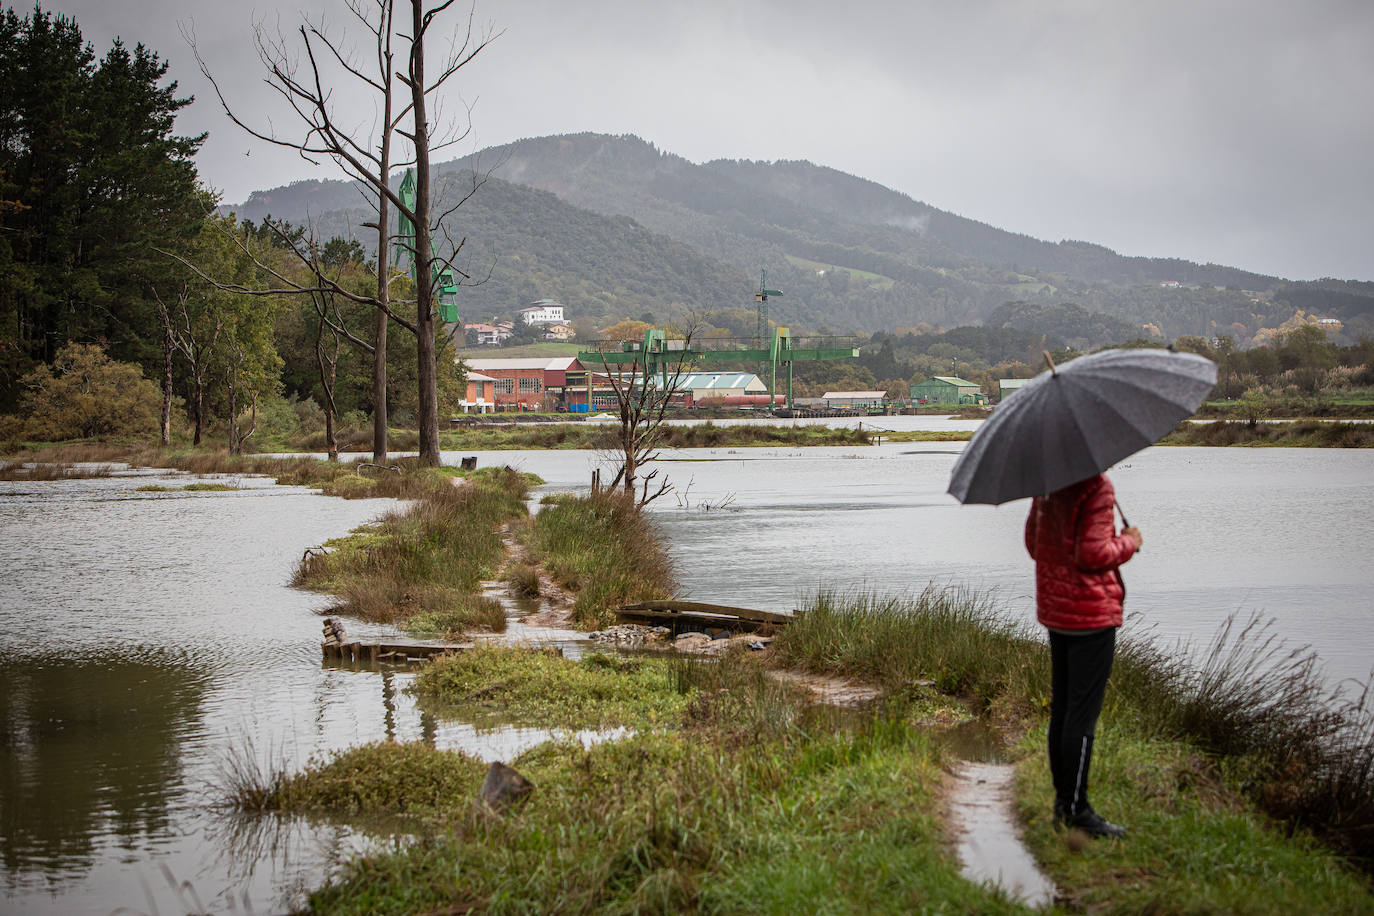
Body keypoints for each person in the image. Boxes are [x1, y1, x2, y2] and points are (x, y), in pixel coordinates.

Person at [1024, 472, 1141, 838]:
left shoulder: (1045, 483)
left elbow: (1034, 544)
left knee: (1063, 710)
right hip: (1090, 614)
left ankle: (1064, 803)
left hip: (1058, 613)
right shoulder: (1096, 486)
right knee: (1082, 717)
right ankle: (1077, 810)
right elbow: (1093, 554)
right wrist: (1128, 542)